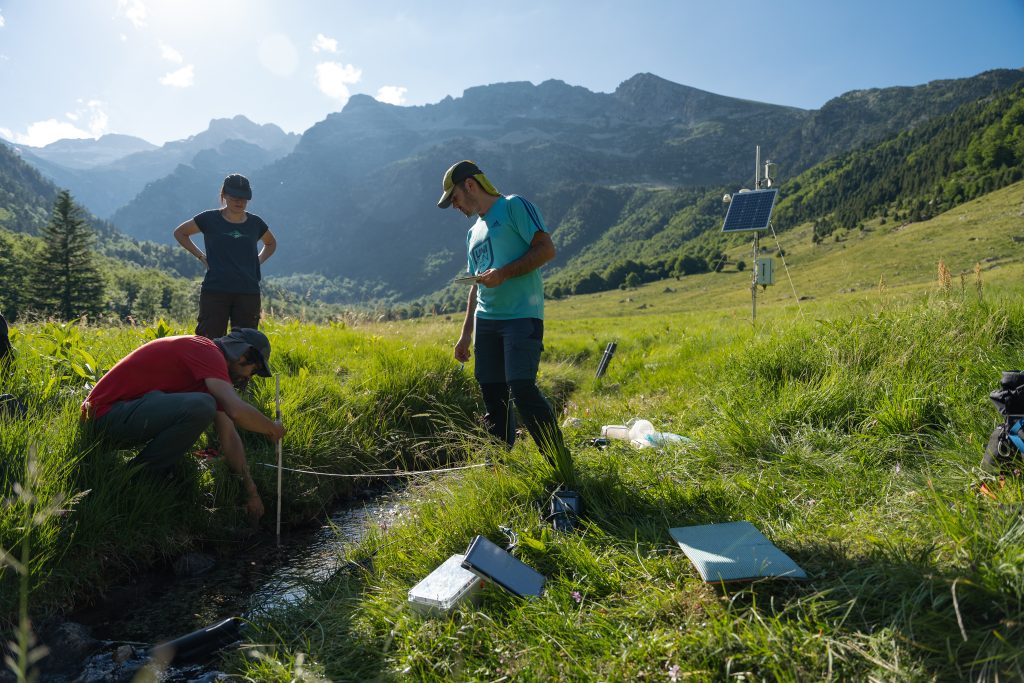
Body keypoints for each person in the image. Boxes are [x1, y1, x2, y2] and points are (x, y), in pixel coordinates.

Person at [437, 160, 570, 471]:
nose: (455, 205)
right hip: (487, 323)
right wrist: (465, 333)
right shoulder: (473, 233)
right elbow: (475, 286)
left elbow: (546, 249)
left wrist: (504, 274)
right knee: (493, 396)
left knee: (522, 387)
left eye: (454, 197)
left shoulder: (514, 206)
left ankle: (560, 464)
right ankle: (498, 470)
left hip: (522, 316)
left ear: (470, 185)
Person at [81, 328, 285, 522]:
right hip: (103, 416)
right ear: (243, 354)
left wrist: (252, 492)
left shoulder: (209, 378)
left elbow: (230, 437)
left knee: (203, 404)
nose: (249, 377)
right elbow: (237, 411)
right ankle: (142, 478)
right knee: (202, 406)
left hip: (120, 418)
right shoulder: (207, 351)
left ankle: (139, 476)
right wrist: (271, 428)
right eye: (254, 370)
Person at [173, 173, 277, 339]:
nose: (239, 201)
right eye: (235, 196)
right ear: (224, 195)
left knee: (245, 343)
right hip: (215, 290)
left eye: (244, 198)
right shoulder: (208, 219)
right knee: (209, 341)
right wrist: (201, 256)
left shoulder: (255, 223)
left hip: (248, 291)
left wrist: (257, 261)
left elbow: (271, 243)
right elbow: (180, 233)